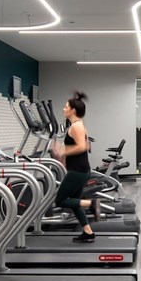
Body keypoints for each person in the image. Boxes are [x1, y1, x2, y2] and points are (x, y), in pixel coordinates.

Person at [52, 91, 102, 243]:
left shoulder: (76, 127)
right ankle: (88, 232)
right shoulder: (77, 125)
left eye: (66, 106)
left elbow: (82, 147)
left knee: (60, 201)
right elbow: (87, 145)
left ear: (73, 110)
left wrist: (62, 151)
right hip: (80, 169)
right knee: (74, 202)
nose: (63, 109)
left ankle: (91, 203)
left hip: (77, 171)